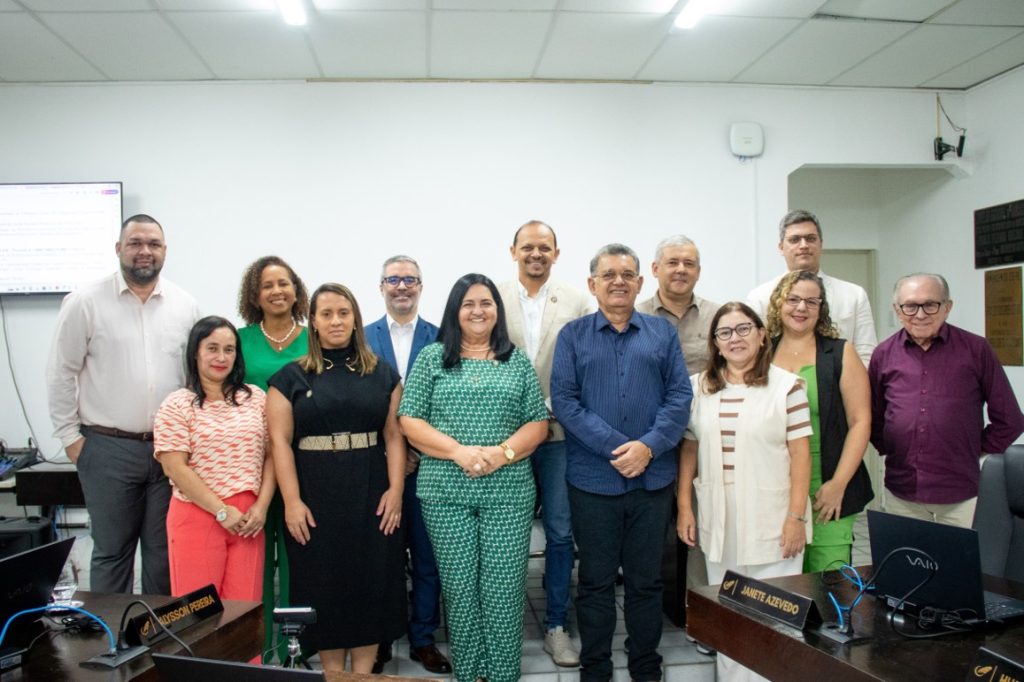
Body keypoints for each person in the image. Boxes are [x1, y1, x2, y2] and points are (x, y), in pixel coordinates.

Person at [398, 273, 549, 682]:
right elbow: (409, 420)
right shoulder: (432, 358)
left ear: (497, 310)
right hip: (445, 492)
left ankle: (502, 674)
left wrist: (502, 454)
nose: (477, 311)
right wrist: (458, 452)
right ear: (455, 311)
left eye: (486, 303)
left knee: (504, 589)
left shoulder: (516, 360)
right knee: (460, 588)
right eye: (468, 304)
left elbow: (538, 423)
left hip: (508, 493)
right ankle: (469, 673)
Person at [551, 244, 692, 682]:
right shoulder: (573, 335)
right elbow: (565, 402)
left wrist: (647, 447)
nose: (618, 282)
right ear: (592, 284)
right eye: (608, 274)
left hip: (653, 479)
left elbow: (679, 396)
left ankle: (645, 663)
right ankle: (596, 665)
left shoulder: (661, 333)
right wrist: (620, 448)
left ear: (640, 283)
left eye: (627, 275)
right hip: (593, 481)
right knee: (594, 581)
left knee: (646, 581)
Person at [46, 213, 200, 594]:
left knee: (164, 553)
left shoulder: (185, 306)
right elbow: (61, 372)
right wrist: (71, 440)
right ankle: (110, 632)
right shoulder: (85, 303)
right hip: (106, 448)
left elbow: (193, 380)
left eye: (153, 244)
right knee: (113, 553)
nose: (145, 251)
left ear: (165, 251)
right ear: (118, 248)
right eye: (135, 243)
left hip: (169, 451)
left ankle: (159, 631)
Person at [266, 283, 407, 673]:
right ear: (312, 321)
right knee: (323, 586)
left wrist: (396, 490)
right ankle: (333, 675)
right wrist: (292, 501)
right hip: (315, 497)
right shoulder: (290, 378)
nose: (336, 321)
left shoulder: (382, 373)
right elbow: (279, 443)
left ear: (355, 319)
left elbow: (394, 436)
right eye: (326, 314)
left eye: (344, 313)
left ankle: (361, 677)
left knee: (370, 584)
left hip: (372, 493)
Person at [677, 302, 811, 682]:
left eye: (743, 329)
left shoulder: (787, 386)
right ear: (715, 343)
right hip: (719, 512)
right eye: (725, 332)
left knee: (773, 611)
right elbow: (689, 448)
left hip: (774, 513)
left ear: (761, 335)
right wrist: (684, 506)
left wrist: (796, 517)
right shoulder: (698, 388)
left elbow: (801, 455)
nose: (734, 338)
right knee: (729, 606)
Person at [497, 220, 590, 667]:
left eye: (545, 247)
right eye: (528, 247)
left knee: (559, 531)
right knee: (507, 532)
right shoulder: (493, 297)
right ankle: (503, 624)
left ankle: (556, 625)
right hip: (506, 436)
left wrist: (558, 406)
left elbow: (587, 362)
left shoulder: (577, 300)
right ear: (513, 250)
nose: (536, 254)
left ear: (556, 253)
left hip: (559, 436)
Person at [869, 273, 1024, 528]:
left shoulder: (976, 349)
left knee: (962, 556)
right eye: (910, 306)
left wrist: (972, 448)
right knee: (907, 554)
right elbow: (873, 418)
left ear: (947, 307)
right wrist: (895, 447)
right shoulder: (883, 354)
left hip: (962, 494)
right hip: (902, 490)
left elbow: (1010, 420)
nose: (920, 314)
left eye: (930, 304)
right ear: (897, 310)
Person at [365, 255, 450, 675]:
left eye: (410, 279)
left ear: (421, 286)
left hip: (429, 468)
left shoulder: (442, 339)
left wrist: (418, 449)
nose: (402, 286)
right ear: (381, 286)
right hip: (377, 469)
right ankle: (381, 638)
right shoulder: (362, 338)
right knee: (382, 559)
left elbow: (447, 404)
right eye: (394, 279)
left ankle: (422, 639)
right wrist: (391, 453)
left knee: (428, 558)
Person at [153, 316, 275, 600]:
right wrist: (221, 511)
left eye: (229, 350)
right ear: (195, 352)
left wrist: (262, 507)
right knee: (200, 613)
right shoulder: (177, 404)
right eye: (212, 348)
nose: (221, 357)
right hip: (198, 515)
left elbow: (272, 456)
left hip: (248, 520)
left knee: (244, 614)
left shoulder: (256, 398)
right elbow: (174, 467)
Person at [766, 271, 873, 572]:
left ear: (821, 308)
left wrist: (838, 484)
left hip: (828, 483)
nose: (801, 307)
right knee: (781, 580)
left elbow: (860, 421)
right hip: (776, 486)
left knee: (830, 580)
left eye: (811, 302)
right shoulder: (762, 352)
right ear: (778, 303)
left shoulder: (840, 352)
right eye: (793, 299)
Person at [236, 255, 309, 662]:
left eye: (284, 283)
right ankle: (260, 652)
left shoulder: (314, 337)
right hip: (251, 464)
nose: (277, 291)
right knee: (257, 562)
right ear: (255, 295)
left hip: (306, 464)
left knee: (301, 557)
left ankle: (297, 650)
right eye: (267, 285)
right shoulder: (239, 340)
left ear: (296, 291)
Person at [747, 209, 877, 365]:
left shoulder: (854, 295)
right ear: (781, 247)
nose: (803, 245)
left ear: (821, 244)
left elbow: (866, 354)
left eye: (810, 238)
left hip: (841, 379)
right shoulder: (760, 297)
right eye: (794, 240)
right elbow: (753, 352)